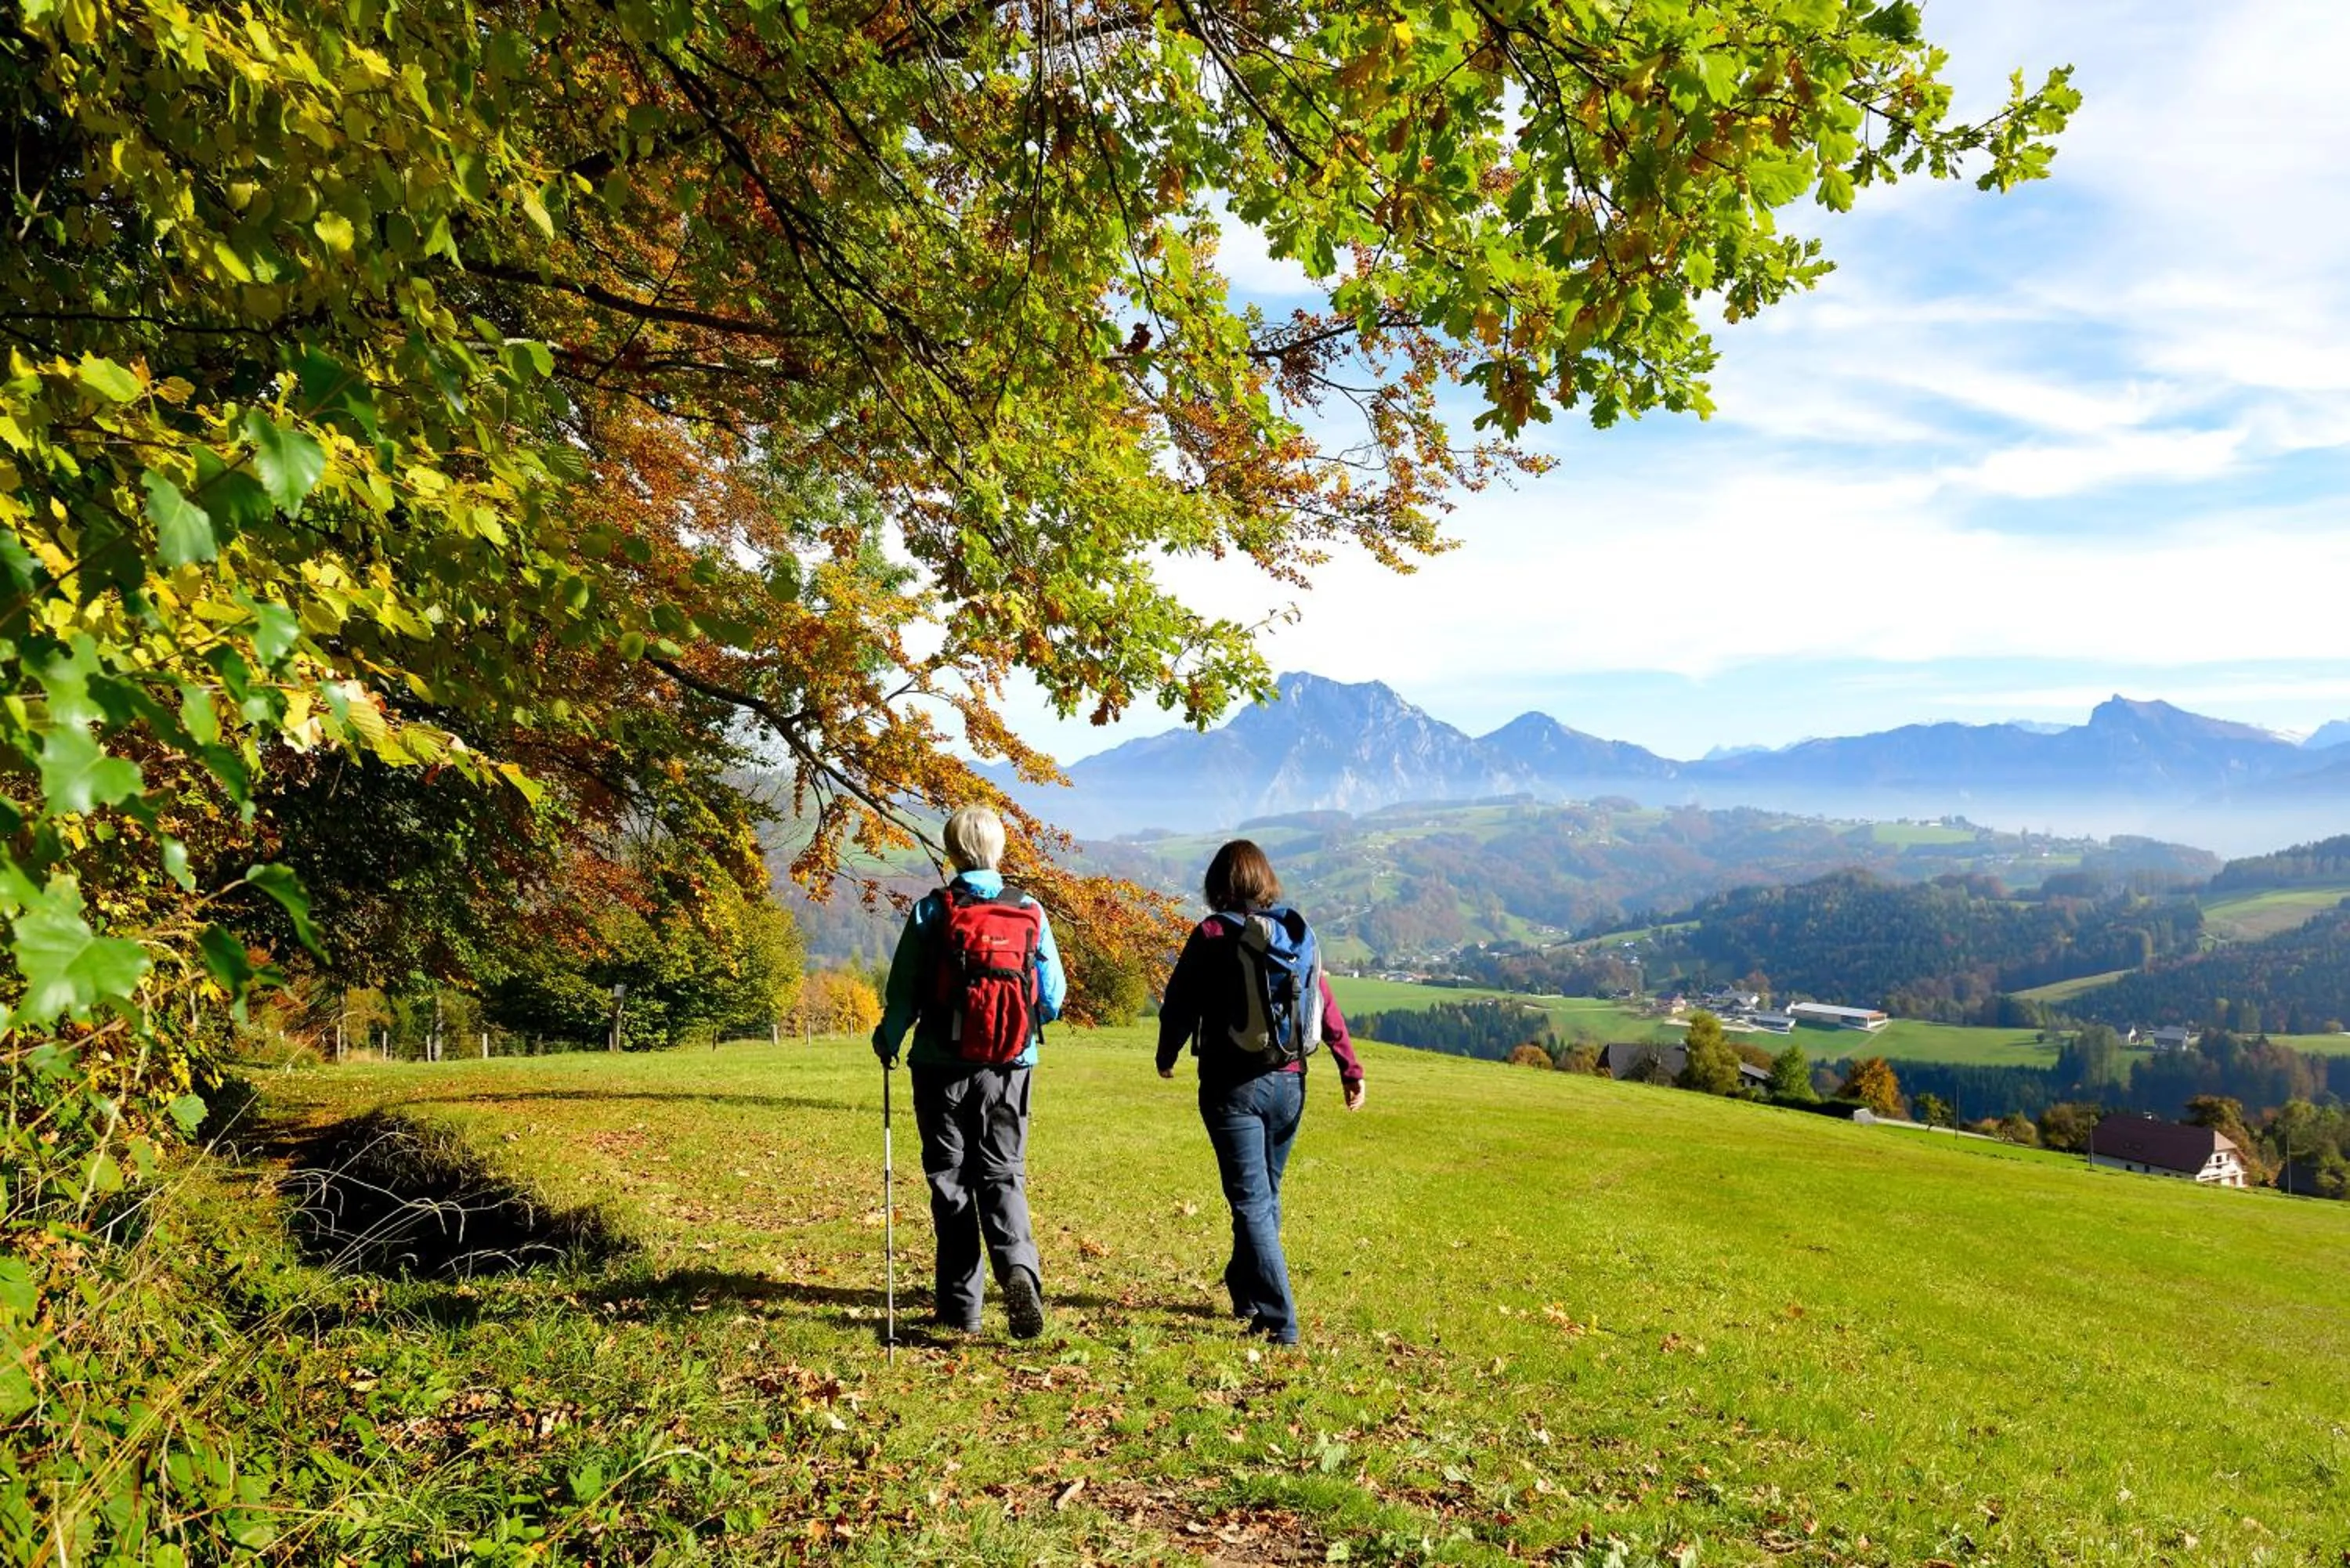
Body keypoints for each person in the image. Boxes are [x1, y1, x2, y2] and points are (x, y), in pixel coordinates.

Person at [1156, 839, 1365, 1346]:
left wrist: (1167, 1053)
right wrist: (1349, 1067)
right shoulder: (1298, 932)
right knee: (1264, 1197)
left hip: (1233, 1087)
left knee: (1251, 1203)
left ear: (1217, 885)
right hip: (1292, 1082)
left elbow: (1180, 1001)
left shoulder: (1210, 934)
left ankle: (1280, 1320)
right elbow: (1323, 1000)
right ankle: (1245, 1290)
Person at [873, 805, 1065, 1339]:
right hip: (1010, 1067)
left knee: (952, 1180)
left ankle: (962, 1309)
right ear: (999, 851)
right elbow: (1052, 997)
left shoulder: (931, 911)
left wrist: (887, 1039)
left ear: (951, 852)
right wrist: (1019, 1025)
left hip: (938, 1066)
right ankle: (1019, 1272)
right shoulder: (1029, 910)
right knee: (1003, 1173)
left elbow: (904, 992)